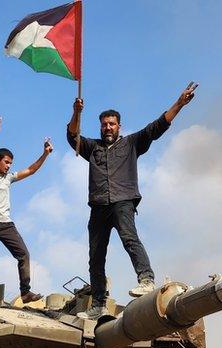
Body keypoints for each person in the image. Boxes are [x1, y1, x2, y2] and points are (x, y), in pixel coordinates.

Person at [66, 82, 198, 319]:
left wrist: (179, 103)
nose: (108, 127)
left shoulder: (131, 144)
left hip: (123, 200)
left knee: (129, 238)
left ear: (119, 126)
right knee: (96, 256)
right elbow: (72, 135)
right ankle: (97, 305)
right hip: (98, 205)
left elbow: (157, 127)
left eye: (112, 124)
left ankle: (146, 279)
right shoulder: (92, 147)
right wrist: (77, 112)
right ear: (100, 126)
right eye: (104, 124)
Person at [0, 116, 50, 306]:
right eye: (6, 162)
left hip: (6, 225)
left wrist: (45, 154)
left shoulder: (9, 178)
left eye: (11, 163)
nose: (9, 166)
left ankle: (26, 293)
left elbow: (30, 170)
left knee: (23, 254)